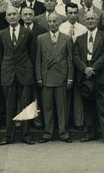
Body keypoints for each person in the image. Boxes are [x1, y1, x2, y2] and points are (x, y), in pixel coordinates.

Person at [73, 11, 104, 146]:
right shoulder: (80, 38)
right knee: (88, 106)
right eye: (87, 19)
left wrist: (93, 69)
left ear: (97, 21)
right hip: (85, 75)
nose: (90, 21)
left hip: (100, 74)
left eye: (92, 19)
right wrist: (85, 69)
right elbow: (76, 56)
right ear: (84, 21)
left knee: (103, 106)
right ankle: (91, 133)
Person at [0, 6, 35, 145]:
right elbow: (1, 56)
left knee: (25, 105)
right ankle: (8, 136)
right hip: (8, 73)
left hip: (24, 73)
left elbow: (32, 53)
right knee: (9, 106)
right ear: (6, 18)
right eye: (9, 15)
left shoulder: (28, 33)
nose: (12, 17)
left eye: (14, 14)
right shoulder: (1, 34)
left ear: (19, 16)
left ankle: (26, 135)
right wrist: (8, 68)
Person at [36, 13, 74, 143]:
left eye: (55, 22)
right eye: (50, 21)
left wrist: (70, 78)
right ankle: (47, 133)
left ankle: (64, 133)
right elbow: (38, 60)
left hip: (61, 77)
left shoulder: (67, 39)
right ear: (47, 23)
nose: (52, 24)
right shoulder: (41, 38)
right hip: (46, 78)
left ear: (59, 23)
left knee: (62, 107)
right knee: (47, 107)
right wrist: (39, 78)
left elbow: (70, 60)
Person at [59, 2, 87, 130]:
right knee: (64, 94)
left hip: (79, 64)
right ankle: (64, 122)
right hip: (65, 64)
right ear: (66, 13)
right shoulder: (61, 28)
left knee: (78, 93)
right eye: (70, 13)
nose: (73, 15)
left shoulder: (83, 28)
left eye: (75, 13)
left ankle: (78, 122)